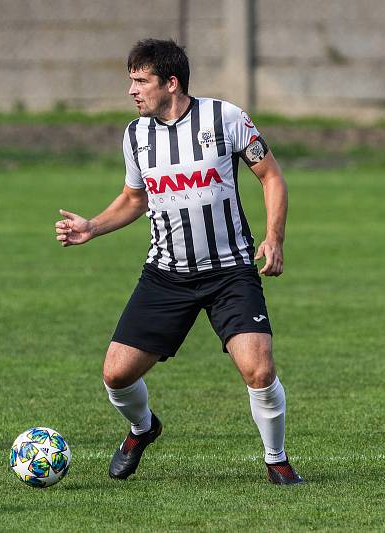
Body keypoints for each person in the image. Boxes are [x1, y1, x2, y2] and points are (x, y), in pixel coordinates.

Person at [55, 39, 303, 484]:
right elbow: (135, 198)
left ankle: (277, 460)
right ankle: (142, 428)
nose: (132, 91)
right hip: (166, 275)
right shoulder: (136, 135)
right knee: (116, 375)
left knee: (259, 369)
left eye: (140, 81)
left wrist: (274, 238)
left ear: (171, 83)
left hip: (230, 271)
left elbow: (271, 177)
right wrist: (93, 226)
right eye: (130, 81)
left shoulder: (225, 118)